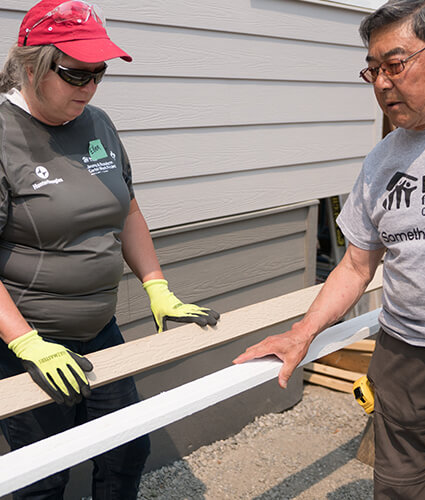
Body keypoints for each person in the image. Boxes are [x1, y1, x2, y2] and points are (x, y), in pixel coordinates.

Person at [234, 0, 425, 498]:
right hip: (403, 353)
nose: (380, 83)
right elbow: (356, 265)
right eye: (372, 70)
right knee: (402, 487)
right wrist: (303, 333)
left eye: (394, 65)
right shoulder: (381, 158)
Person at [0, 1, 219, 498]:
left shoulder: (97, 123)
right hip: (29, 343)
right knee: (43, 474)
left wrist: (158, 288)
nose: (90, 88)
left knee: (126, 450)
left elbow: (128, 212)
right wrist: (27, 343)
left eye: (98, 74)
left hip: (100, 329)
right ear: (31, 64)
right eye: (77, 75)